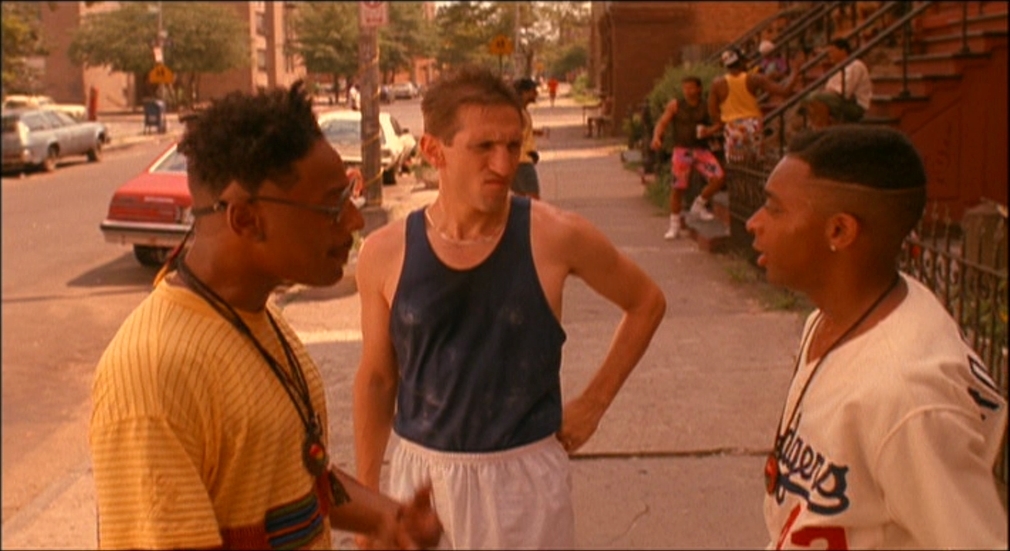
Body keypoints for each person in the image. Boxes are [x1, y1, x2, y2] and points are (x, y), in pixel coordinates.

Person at [89, 81, 442, 550]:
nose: (355, 221)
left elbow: (294, 472)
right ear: (245, 220)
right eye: (333, 205)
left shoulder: (252, 318)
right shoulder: (155, 374)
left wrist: (388, 518)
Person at [353, 65, 666, 549]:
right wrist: (369, 501)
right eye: (483, 148)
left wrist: (593, 404)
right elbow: (377, 378)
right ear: (434, 150)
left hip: (524, 480)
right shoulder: (384, 252)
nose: (504, 165)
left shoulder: (556, 235)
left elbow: (646, 302)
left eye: (513, 146)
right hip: (421, 481)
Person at [746, 125, 1008, 549]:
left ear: (839, 232)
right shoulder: (832, 318)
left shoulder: (907, 395)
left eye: (775, 210)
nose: (753, 223)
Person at [650, 75, 726, 237]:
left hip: (701, 150)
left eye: (691, 87)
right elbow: (662, 122)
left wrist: (708, 131)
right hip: (682, 151)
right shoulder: (676, 105)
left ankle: (700, 204)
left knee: (718, 177)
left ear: (698, 89)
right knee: (678, 187)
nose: (688, 91)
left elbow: (720, 123)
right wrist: (657, 136)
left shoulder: (706, 106)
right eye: (685, 88)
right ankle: (674, 225)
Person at [709, 47, 801, 166]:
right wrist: (795, 72)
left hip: (732, 127)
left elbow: (712, 111)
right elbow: (784, 91)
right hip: (753, 125)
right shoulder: (754, 78)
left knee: (736, 164)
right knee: (756, 164)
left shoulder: (717, 84)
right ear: (741, 62)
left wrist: (723, 124)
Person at [803, 38, 872, 129]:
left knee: (815, 97)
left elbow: (845, 92)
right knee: (808, 99)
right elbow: (829, 87)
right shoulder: (838, 67)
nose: (829, 55)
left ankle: (821, 130)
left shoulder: (856, 65)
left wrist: (828, 92)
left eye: (832, 52)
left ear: (843, 51)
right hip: (839, 100)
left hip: (855, 105)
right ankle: (819, 128)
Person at [512, 77, 542, 200]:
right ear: (524, 93)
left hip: (519, 161)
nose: (536, 94)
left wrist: (534, 132)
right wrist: (529, 152)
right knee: (534, 200)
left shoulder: (522, 111)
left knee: (522, 200)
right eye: (533, 90)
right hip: (523, 162)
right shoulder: (517, 113)